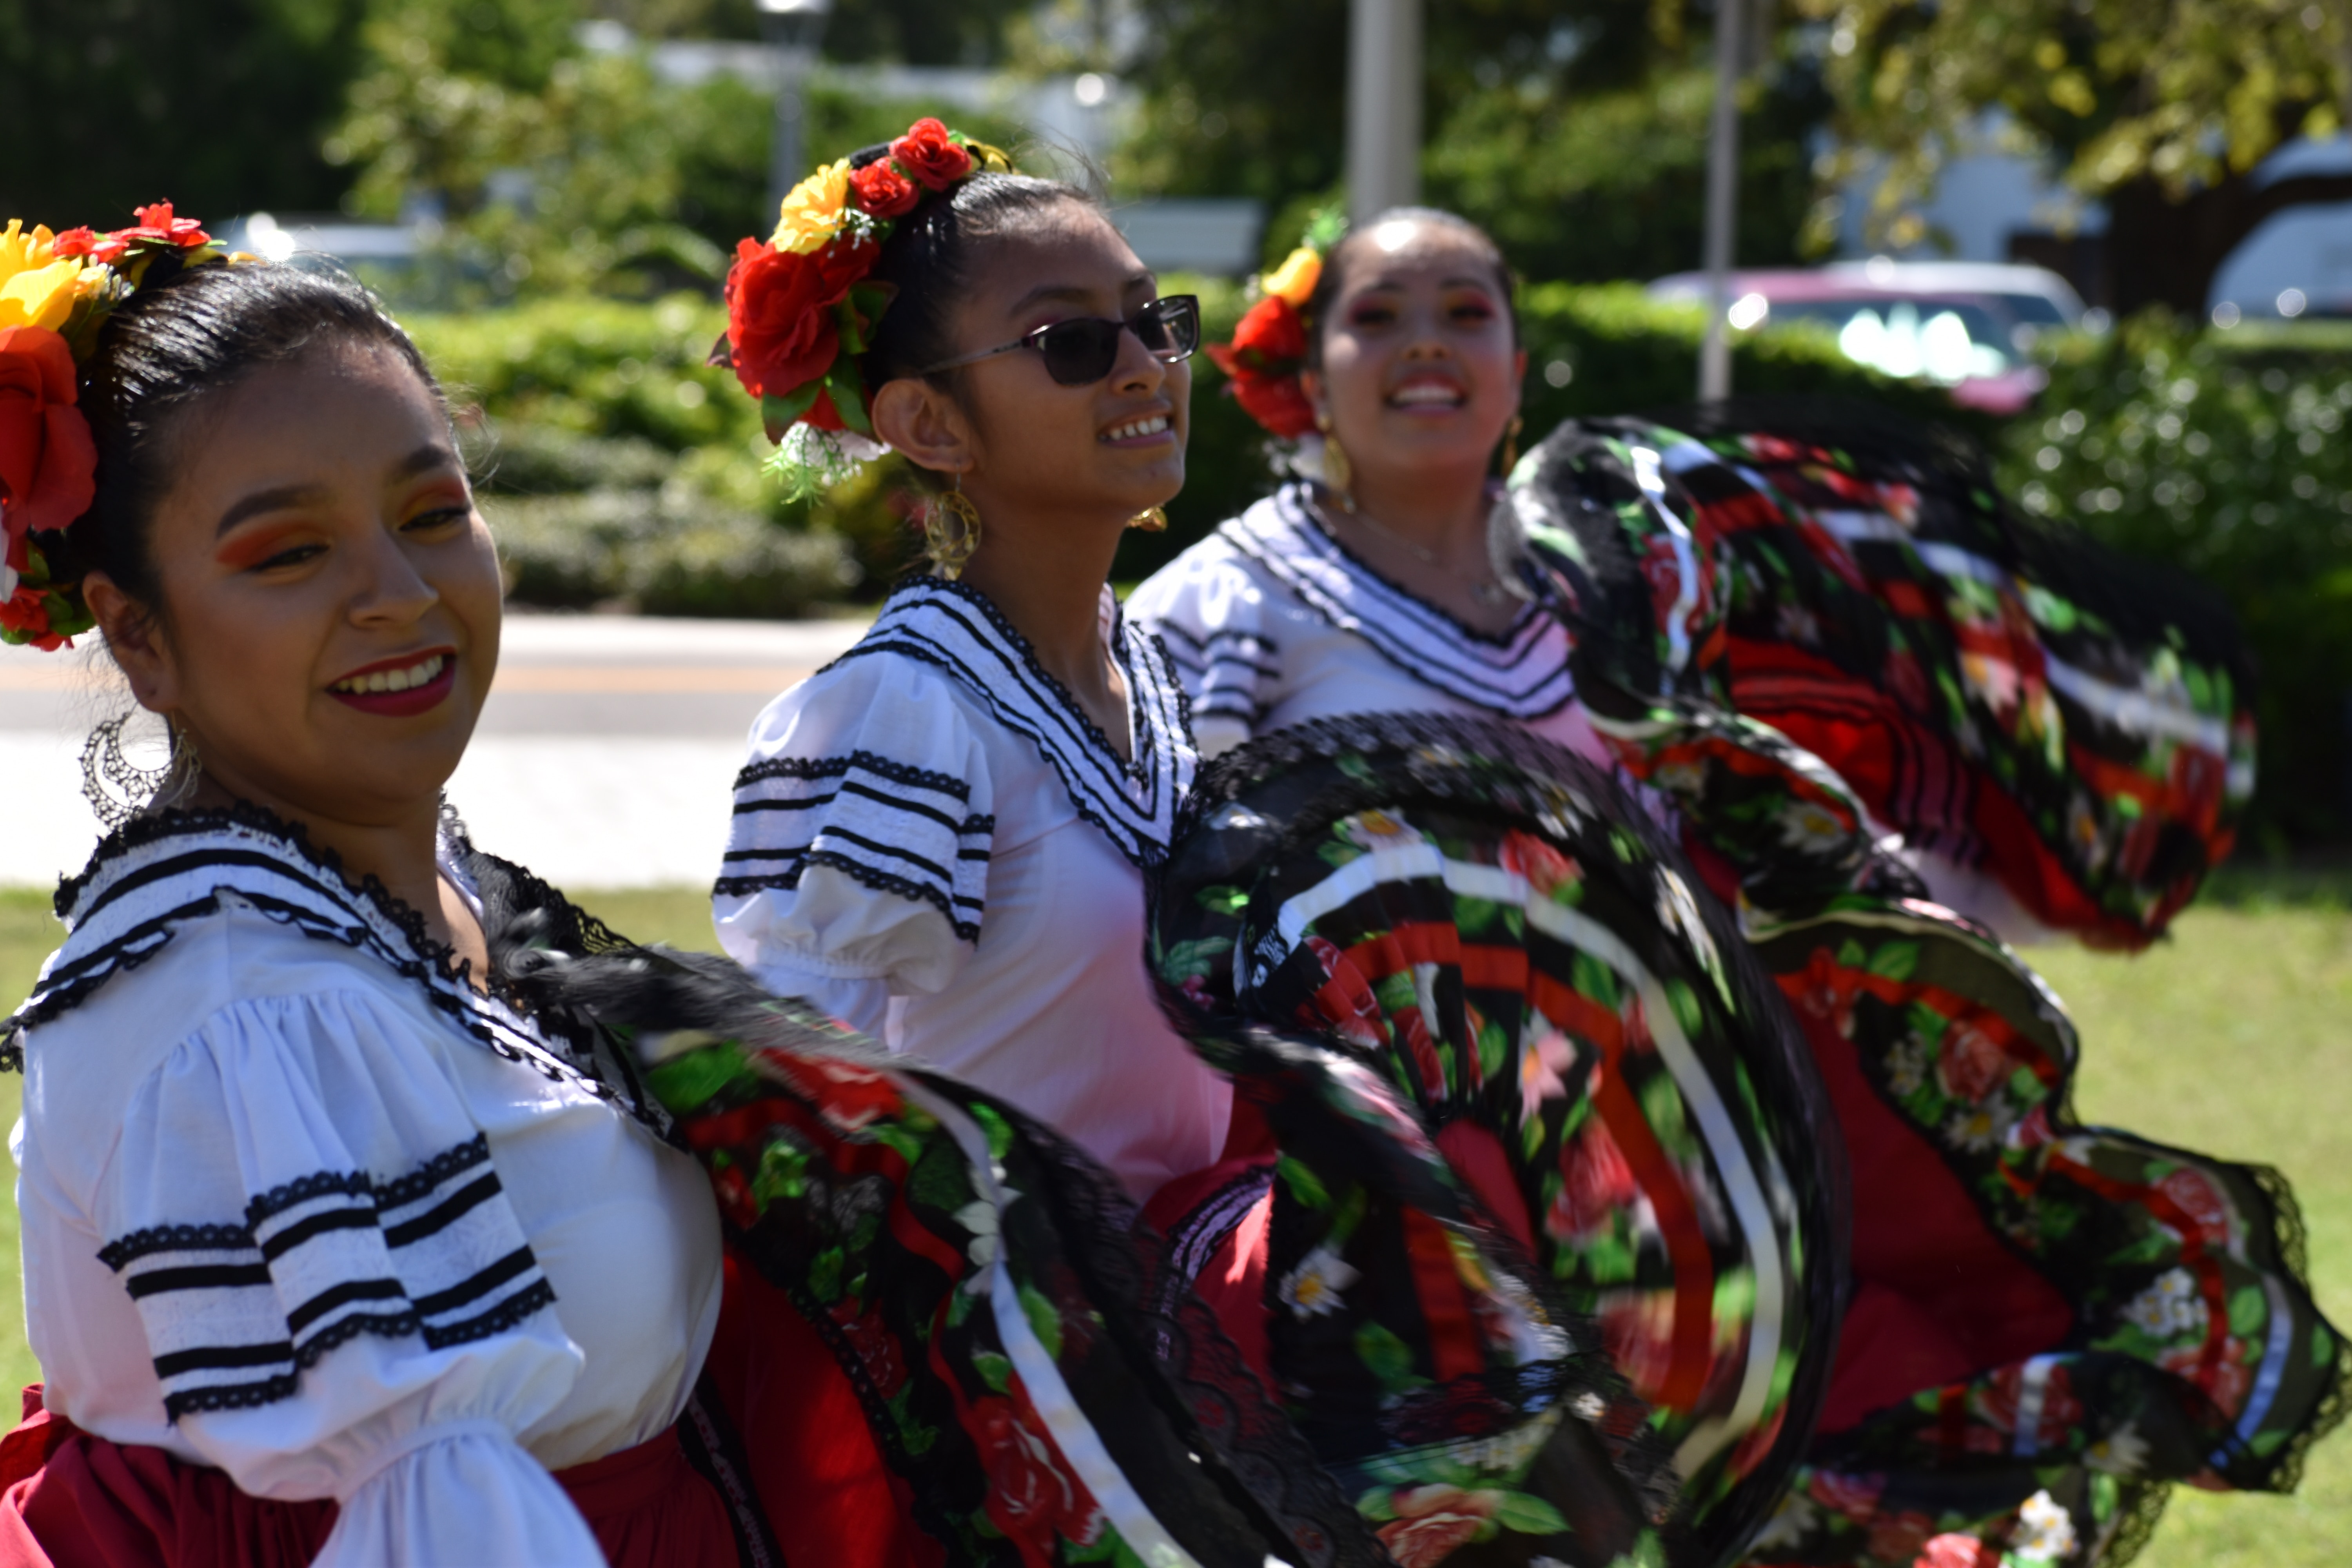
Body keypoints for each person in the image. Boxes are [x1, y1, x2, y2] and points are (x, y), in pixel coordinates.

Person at [0, 205, 1375, 1568]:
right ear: (138, 632)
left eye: (433, 514)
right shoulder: (246, 1017)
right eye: (288, 552)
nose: (398, 595)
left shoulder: (421, 912)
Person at [1131, 206, 2344, 1564]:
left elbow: (1749, 794)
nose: (1427, 347)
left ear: (1522, 366)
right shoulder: (1232, 601)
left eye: (1468, 313)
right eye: (1380, 317)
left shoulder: (1612, 577)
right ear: (1310, 372)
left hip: (1684, 1137)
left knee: (1826, 1432)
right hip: (1418, 1157)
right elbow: (1200, 871)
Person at [705, 127, 1231, 1205]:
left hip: (1193, 1335)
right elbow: (796, 1116)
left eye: (1151, 322)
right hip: (1010, 1350)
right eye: (1070, 344)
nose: (1142, 367)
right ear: (928, 423)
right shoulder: (903, 713)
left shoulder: (1148, 673)